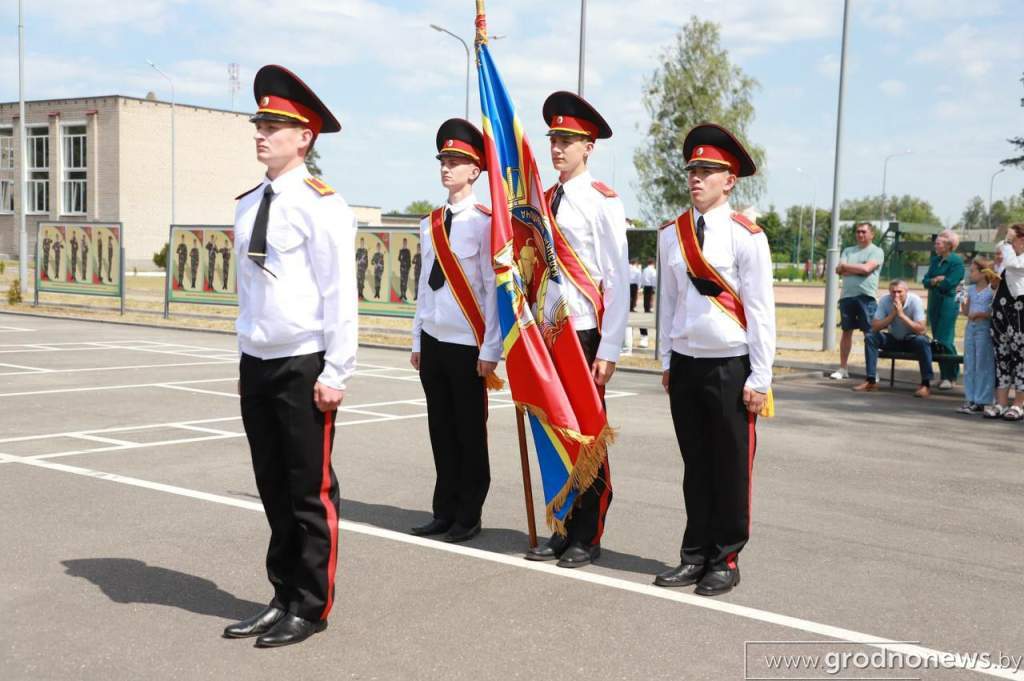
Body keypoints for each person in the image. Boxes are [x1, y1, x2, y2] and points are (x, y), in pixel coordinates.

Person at [224, 64, 356, 648]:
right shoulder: (248, 202)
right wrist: (244, 350)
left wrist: (337, 371)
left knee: (308, 489)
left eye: (275, 124)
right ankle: (281, 595)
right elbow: (248, 289)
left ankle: (311, 603)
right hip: (259, 358)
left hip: (304, 361)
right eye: (260, 122)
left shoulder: (323, 204)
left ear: (305, 136)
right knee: (272, 486)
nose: (262, 132)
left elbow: (339, 294)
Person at [653, 123, 775, 597]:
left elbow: (761, 311)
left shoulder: (747, 236)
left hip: (731, 365)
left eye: (707, 171)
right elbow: (670, 304)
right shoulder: (671, 235)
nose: (696, 178)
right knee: (695, 464)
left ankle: (725, 557)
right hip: (686, 362)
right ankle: (694, 554)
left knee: (730, 466)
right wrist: (666, 358)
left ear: (731, 180)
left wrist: (760, 376)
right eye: (693, 170)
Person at [524, 91, 629, 569]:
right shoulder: (542, 202)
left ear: (589, 146)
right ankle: (562, 526)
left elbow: (617, 279)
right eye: (554, 139)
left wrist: (609, 348)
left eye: (568, 140)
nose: (558, 148)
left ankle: (588, 533)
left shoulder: (602, 201)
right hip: (548, 332)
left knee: (587, 435)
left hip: (584, 333)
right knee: (555, 434)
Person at [409, 118, 501, 543]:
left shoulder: (484, 222)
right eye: (444, 160)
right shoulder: (429, 223)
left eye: (456, 161)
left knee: (469, 432)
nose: (447, 167)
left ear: (475, 170)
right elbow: (423, 289)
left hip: (468, 344)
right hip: (434, 340)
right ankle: (443, 510)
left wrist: (490, 348)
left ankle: (469, 514)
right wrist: (416, 340)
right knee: (440, 431)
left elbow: (490, 289)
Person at [853, 279, 932, 397]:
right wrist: (892, 315)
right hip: (893, 339)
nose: (896, 295)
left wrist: (901, 315)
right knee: (870, 337)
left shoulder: (915, 300)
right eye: (893, 292)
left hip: (911, 339)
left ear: (906, 291)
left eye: (899, 292)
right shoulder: (885, 300)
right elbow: (874, 326)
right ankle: (871, 381)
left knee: (922, 341)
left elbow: (921, 329)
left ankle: (925, 385)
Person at [829, 222, 884, 380]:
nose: (860, 234)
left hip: (867, 297)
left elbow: (867, 269)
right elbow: (839, 269)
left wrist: (850, 268)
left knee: (870, 333)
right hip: (847, 297)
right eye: (858, 232)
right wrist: (858, 268)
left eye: (864, 232)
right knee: (846, 332)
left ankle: (872, 371)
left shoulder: (877, 251)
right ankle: (843, 368)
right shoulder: (848, 250)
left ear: (871, 234)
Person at [985, 224, 1024, 420]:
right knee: (1001, 357)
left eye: (1012, 239)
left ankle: (1018, 404)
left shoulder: (1018, 258)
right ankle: (1000, 402)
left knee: (1020, 358)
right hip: (1000, 311)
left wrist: (1007, 243)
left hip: (1019, 311)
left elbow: (1013, 264)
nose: (1008, 243)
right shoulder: (1009, 256)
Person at [922, 230, 964, 389]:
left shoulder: (956, 262)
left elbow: (950, 283)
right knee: (937, 341)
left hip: (948, 302)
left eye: (938, 243)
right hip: (934, 302)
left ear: (948, 245)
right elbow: (925, 281)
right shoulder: (935, 260)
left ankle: (951, 376)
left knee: (946, 339)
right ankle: (943, 375)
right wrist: (935, 280)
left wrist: (937, 281)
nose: (935, 245)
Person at [958, 256, 998, 414]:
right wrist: (962, 297)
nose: (970, 274)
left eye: (973, 271)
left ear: (983, 273)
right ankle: (970, 398)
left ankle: (983, 399)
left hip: (984, 329)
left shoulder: (991, 290)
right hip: (971, 329)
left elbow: (994, 312)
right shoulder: (972, 290)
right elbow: (966, 312)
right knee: (970, 363)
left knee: (983, 364)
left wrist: (982, 314)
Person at [639, 257, 657, 348]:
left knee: (646, 299)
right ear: (653, 263)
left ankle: (646, 307)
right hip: (650, 285)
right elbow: (654, 278)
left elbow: (642, 278)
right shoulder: (653, 270)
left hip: (645, 285)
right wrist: (654, 286)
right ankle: (648, 308)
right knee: (650, 298)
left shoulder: (645, 269)